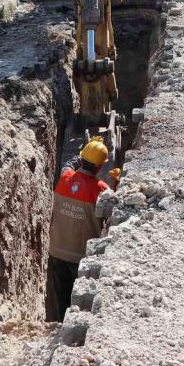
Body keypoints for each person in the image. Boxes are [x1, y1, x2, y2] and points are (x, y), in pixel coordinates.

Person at [47, 137, 120, 321]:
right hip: (81, 257)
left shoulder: (64, 178)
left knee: (59, 297)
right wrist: (117, 183)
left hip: (57, 250)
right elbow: (114, 211)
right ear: (100, 167)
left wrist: (84, 151)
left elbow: (68, 164)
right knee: (79, 302)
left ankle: (55, 324)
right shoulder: (101, 190)